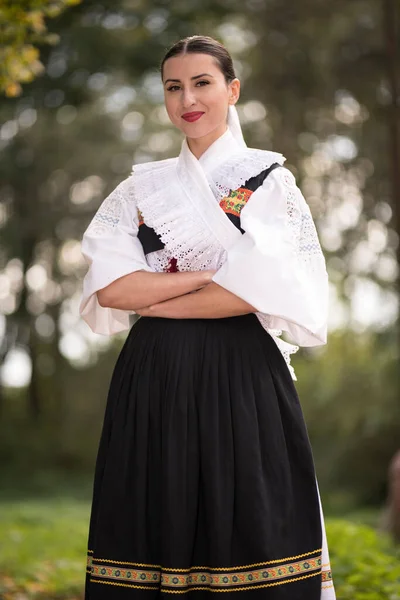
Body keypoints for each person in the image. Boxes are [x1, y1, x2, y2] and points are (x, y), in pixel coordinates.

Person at [79, 35, 335, 600]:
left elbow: (252, 295)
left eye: (202, 83)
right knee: (153, 517)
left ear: (232, 90)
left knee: (247, 521)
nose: (187, 99)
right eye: (174, 87)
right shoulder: (138, 191)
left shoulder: (270, 182)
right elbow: (114, 289)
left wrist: (156, 298)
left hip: (240, 373)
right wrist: (214, 275)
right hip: (154, 377)